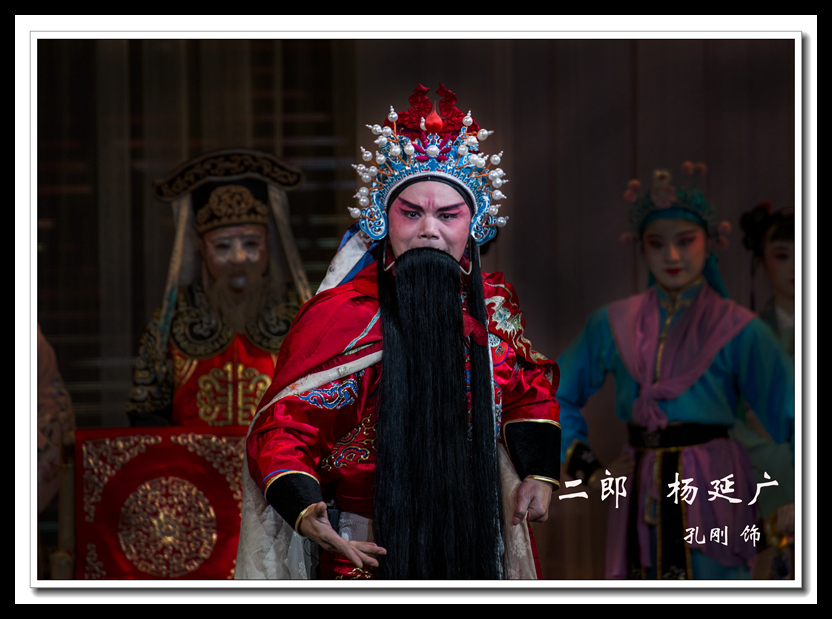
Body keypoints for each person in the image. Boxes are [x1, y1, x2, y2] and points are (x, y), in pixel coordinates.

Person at [236, 84, 561, 580]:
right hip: (363, 554)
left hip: (472, 547)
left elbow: (527, 389)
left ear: (473, 225)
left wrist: (539, 472)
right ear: (383, 219)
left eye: (448, 215)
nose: (429, 229)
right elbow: (286, 425)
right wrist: (304, 508)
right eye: (411, 213)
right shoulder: (342, 315)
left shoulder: (493, 307)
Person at [557, 165, 794, 580]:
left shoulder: (740, 329)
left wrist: (797, 498)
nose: (671, 256)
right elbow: (550, 393)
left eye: (686, 241)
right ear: (642, 248)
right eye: (657, 244)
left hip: (715, 487)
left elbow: (794, 416)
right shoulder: (611, 323)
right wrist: (588, 469)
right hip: (638, 489)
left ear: (709, 244)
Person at [127, 149, 311, 428]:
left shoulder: (299, 317)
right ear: (202, 248)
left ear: (268, 243)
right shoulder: (172, 322)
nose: (238, 258)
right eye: (222, 246)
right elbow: (146, 414)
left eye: (251, 243)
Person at [735, 203, 796, 577]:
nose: (796, 266)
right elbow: (732, 419)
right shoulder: (745, 337)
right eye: (782, 255)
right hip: (767, 483)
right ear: (762, 261)